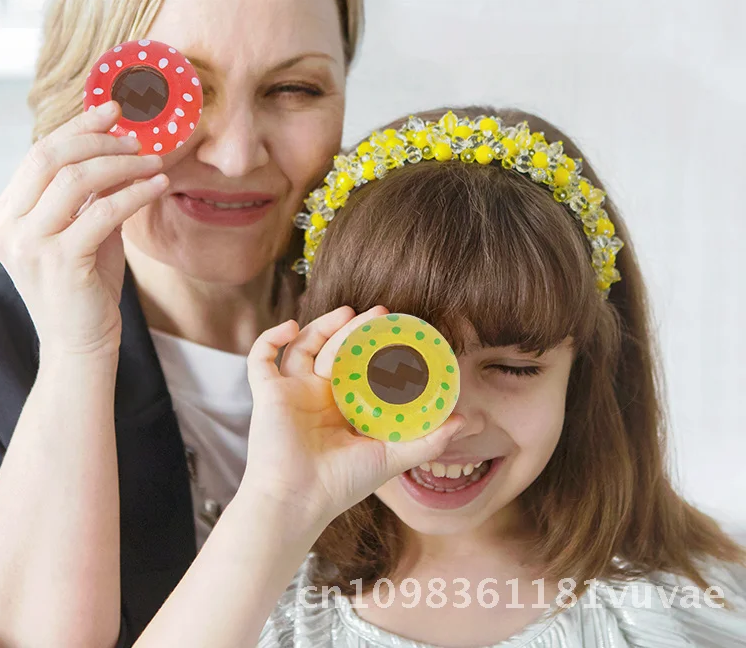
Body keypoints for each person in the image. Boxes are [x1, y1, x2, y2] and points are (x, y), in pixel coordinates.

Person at [130, 106, 746, 647]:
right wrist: (278, 503)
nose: (449, 421)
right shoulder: (248, 599)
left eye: (511, 367)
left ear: (581, 372)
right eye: (401, 369)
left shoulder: (687, 607)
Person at [0, 0, 363, 647]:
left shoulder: (405, 333)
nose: (237, 155)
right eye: (169, 91)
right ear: (77, 90)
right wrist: (77, 349)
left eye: (295, 89)